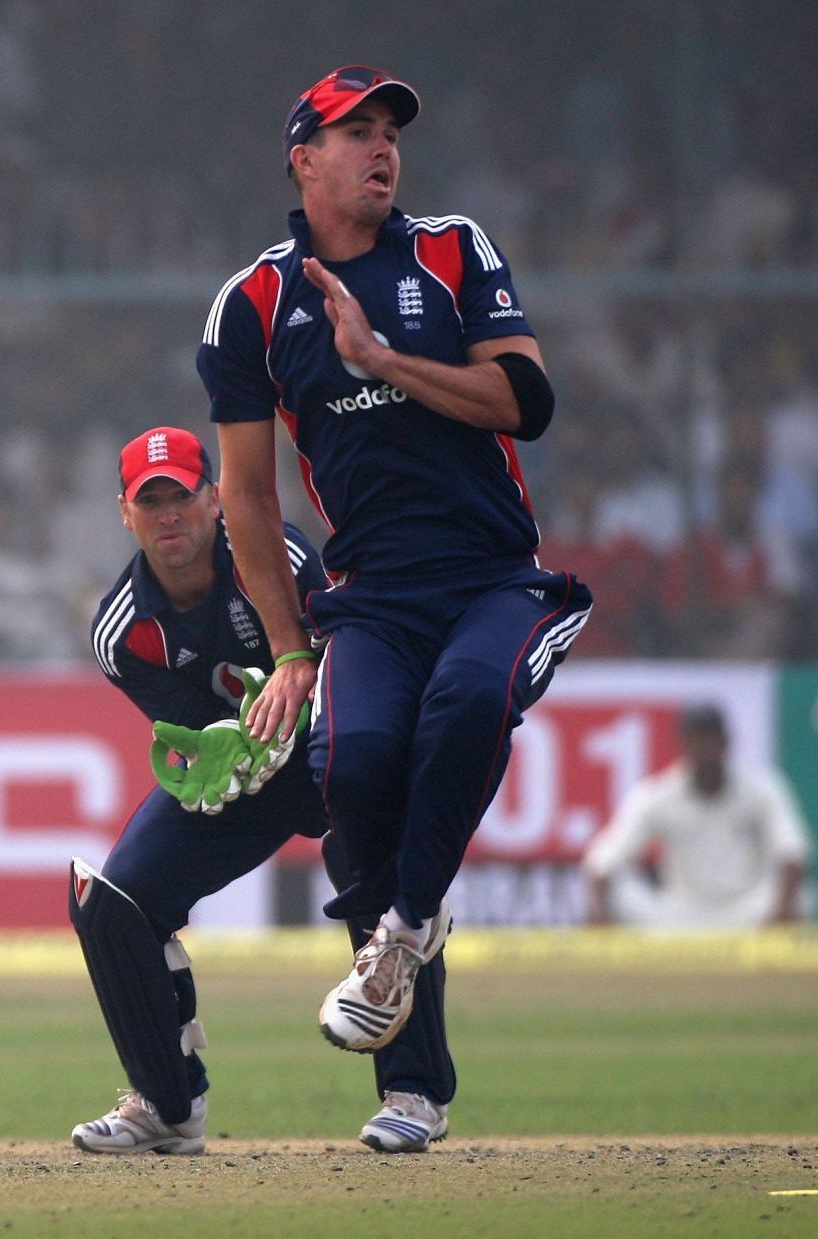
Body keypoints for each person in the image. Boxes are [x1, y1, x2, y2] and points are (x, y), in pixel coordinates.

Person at [197, 68, 592, 1069]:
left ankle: (406, 932)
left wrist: (381, 361)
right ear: (304, 159)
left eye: (391, 134)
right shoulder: (251, 303)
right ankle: (414, 1077)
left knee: (464, 705)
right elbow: (246, 497)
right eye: (355, 132)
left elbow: (526, 403)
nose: (383, 149)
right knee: (358, 767)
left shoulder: (456, 250)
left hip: (493, 576)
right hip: (370, 598)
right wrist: (290, 651)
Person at [69, 427, 455, 1156]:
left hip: (334, 740)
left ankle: (416, 1094)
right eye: (149, 502)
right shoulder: (124, 633)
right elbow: (191, 730)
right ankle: (166, 1102)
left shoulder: (279, 556)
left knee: (376, 863)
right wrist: (224, 753)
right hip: (250, 774)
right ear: (124, 512)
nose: (168, 515)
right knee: (112, 900)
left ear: (214, 499)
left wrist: (316, 729)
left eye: (181, 495)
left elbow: (361, 652)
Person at [584, 705, 810, 927]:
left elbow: (792, 853)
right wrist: (599, 922)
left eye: (710, 740)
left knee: (802, 898)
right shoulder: (659, 794)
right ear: (684, 745)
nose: (704, 750)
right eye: (697, 741)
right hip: (680, 921)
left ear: (725, 742)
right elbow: (602, 862)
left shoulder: (762, 789)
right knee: (618, 894)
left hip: (746, 914)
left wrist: (778, 922)